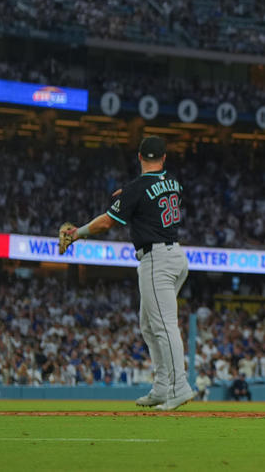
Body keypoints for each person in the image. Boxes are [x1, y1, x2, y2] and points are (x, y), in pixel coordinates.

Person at [58, 136, 196, 411]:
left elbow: (107, 222)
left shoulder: (136, 189)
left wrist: (78, 233)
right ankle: (161, 387)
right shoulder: (173, 183)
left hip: (157, 260)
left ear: (139, 157)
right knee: (148, 325)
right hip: (174, 256)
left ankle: (179, 386)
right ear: (164, 158)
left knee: (164, 325)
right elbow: (154, 194)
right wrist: (133, 195)